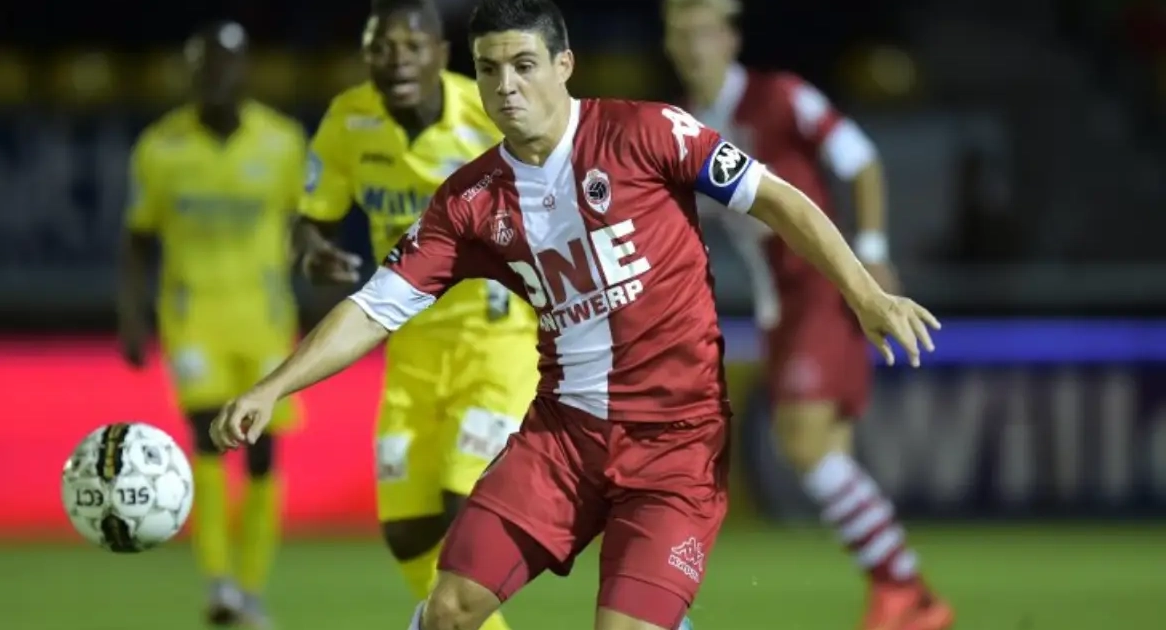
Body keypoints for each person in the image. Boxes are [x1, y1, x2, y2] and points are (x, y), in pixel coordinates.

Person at [210, 1, 939, 629]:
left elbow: (776, 197)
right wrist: (273, 388)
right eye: (489, 69)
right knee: (450, 607)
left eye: (523, 65)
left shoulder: (649, 133)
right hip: (562, 442)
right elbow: (374, 308)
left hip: (675, 446)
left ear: (564, 65)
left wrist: (865, 292)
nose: (505, 85)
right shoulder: (468, 202)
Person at [661, 1, 954, 629]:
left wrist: (872, 254)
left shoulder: (780, 96)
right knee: (825, 456)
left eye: (703, 33)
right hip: (779, 304)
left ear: (730, 38)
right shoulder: (682, 124)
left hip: (820, 288)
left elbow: (860, 158)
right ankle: (904, 590)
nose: (692, 47)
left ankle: (905, 589)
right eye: (679, 35)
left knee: (803, 442)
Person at [293, 3, 537, 630]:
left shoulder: (486, 112)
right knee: (408, 531)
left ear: (441, 54)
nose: (396, 59)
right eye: (382, 47)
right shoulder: (349, 121)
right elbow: (313, 221)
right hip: (410, 344)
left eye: (411, 45)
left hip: (497, 340)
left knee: (465, 511)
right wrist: (314, 251)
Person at [116, 21, 306, 628]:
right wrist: (130, 313)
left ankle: (250, 586)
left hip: (265, 319)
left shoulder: (281, 142)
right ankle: (219, 581)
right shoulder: (160, 147)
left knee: (262, 451)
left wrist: (322, 269)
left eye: (229, 64)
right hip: (193, 316)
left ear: (245, 71)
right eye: (207, 65)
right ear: (192, 74)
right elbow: (138, 237)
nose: (218, 76)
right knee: (208, 436)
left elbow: (307, 220)